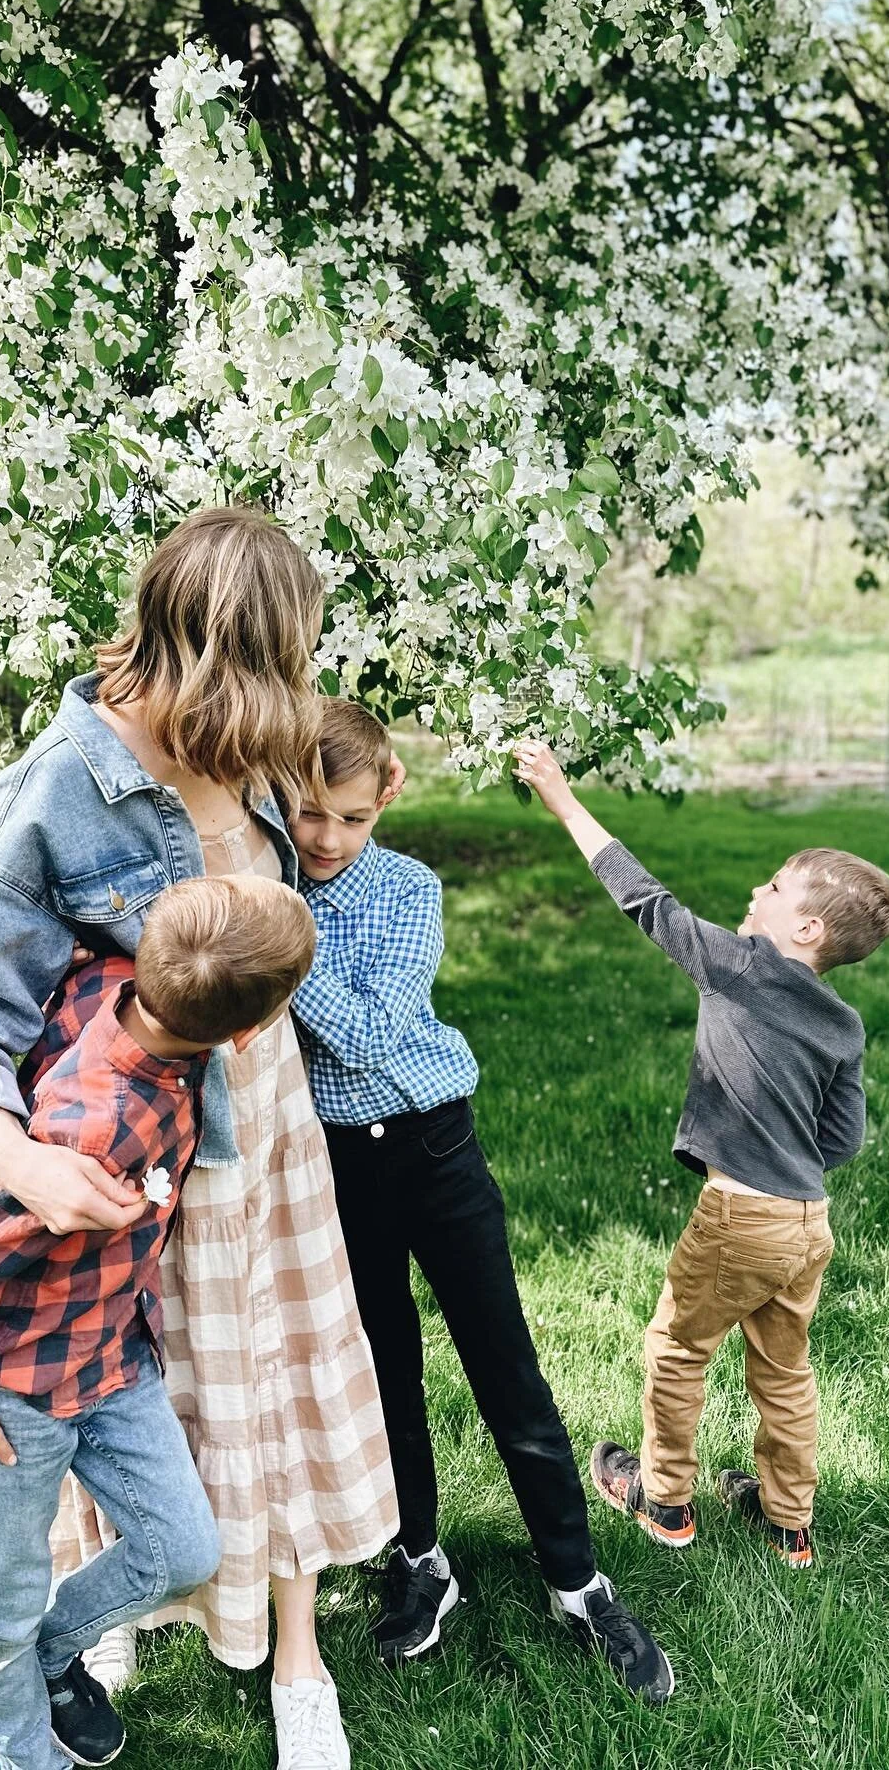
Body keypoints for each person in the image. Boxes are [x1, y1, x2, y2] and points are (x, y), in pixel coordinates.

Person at [0, 508, 399, 1770]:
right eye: (280, 665)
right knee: (121, 1380)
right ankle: (94, 1618)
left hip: (267, 1126)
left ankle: (298, 1649)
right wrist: (11, 1156)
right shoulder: (61, 788)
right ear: (217, 650)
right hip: (140, 1153)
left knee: (275, 1376)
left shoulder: (253, 749)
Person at [286, 699, 675, 1704]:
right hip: (337, 1167)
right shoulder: (269, 881)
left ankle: (577, 1579)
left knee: (508, 1371)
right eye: (307, 813)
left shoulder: (408, 889)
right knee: (383, 1375)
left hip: (435, 1149)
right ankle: (420, 1560)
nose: (326, 837)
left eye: (349, 817)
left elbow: (370, 1039)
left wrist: (281, 949)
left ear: (388, 798)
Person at [0, 875, 316, 1770]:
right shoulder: (89, 1132)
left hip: (114, 1363)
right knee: (2, 1604)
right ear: (247, 1035)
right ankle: (28, 1754)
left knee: (183, 1550)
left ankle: (57, 1652)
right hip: (14, 1407)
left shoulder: (127, 983)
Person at [512, 738, 889, 1571]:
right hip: (808, 1222)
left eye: (774, 885)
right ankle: (789, 1522)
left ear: (805, 926)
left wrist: (562, 799)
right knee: (784, 1371)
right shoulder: (843, 1023)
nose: (756, 889)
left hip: (740, 1215)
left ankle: (666, 1498)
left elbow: (646, 902)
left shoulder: (741, 966)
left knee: (679, 1348)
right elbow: (841, 1140)